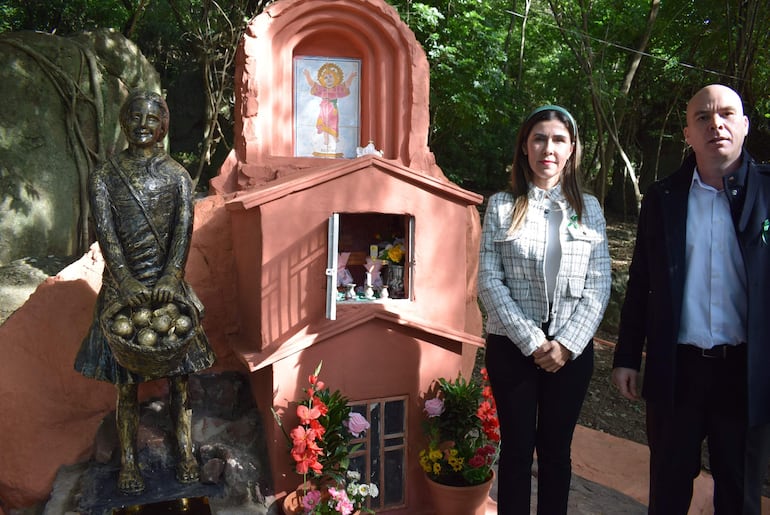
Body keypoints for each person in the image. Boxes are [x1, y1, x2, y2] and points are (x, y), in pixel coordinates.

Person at [612, 84, 770, 514]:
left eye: (725, 114)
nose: (714, 124)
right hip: (677, 369)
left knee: (739, 495)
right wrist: (627, 356)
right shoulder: (664, 199)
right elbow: (641, 281)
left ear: (744, 126)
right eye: (702, 116)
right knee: (667, 489)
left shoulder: (767, 193)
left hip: (745, 373)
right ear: (687, 133)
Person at [75, 90, 216, 494]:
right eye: (135, 117)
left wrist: (171, 277)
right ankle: (130, 462)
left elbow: (182, 232)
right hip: (124, 290)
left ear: (163, 126)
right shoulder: (105, 176)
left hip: (169, 288)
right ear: (123, 121)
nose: (143, 125)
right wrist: (127, 280)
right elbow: (107, 234)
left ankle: (186, 451)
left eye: (152, 119)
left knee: (182, 380)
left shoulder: (177, 176)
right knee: (126, 384)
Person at [478, 105, 611, 514]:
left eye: (558, 140)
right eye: (538, 138)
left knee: (556, 453)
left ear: (571, 150)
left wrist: (566, 345)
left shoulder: (589, 209)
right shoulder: (502, 206)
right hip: (512, 348)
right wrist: (534, 341)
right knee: (517, 453)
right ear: (524, 146)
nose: (547, 148)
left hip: (570, 354)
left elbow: (599, 284)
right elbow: (488, 279)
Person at [303, 62, 357, 154]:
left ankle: (335, 141)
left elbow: (346, 85)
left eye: (330, 77)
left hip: (333, 111)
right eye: (326, 77)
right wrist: (307, 75)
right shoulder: (322, 89)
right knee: (323, 126)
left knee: (333, 125)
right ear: (322, 80)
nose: (328, 79)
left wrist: (351, 76)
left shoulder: (337, 88)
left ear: (336, 78)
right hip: (323, 110)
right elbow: (312, 84)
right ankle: (325, 142)